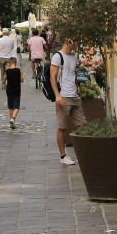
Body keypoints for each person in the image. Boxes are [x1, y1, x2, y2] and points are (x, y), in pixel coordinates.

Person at [51, 36, 85, 165]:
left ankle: (76, 146)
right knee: (62, 127)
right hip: (63, 96)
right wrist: (57, 95)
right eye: (74, 40)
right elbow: (52, 78)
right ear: (67, 39)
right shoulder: (57, 56)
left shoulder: (73, 58)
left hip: (75, 96)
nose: (75, 43)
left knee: (82, 124)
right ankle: (63, 156)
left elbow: (73, 76)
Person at [2, 57, 23, 129]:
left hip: (9, 90)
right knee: (16, 106)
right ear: (16, 63)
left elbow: (4, 80)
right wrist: (21, 73)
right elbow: (22, 80)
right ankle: (13, 118)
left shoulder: (7, 71)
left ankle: (11, 122)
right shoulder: (18, 71)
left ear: (9, 64)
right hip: (17, 90)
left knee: (10, 107)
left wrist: (4, 83)